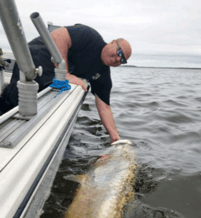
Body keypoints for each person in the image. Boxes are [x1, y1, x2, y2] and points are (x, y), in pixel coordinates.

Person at [0, 24, 132, 144]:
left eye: (123, 60)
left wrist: (115, 137)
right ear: (112, 42)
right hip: (37, 54)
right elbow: (58, 35)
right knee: (14, 101)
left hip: (52, 72)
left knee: (41, 103)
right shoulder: (90, 36)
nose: (118, 59)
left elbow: (104, 107)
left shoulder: (103, 76)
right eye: (119, 53)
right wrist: (66, 74)